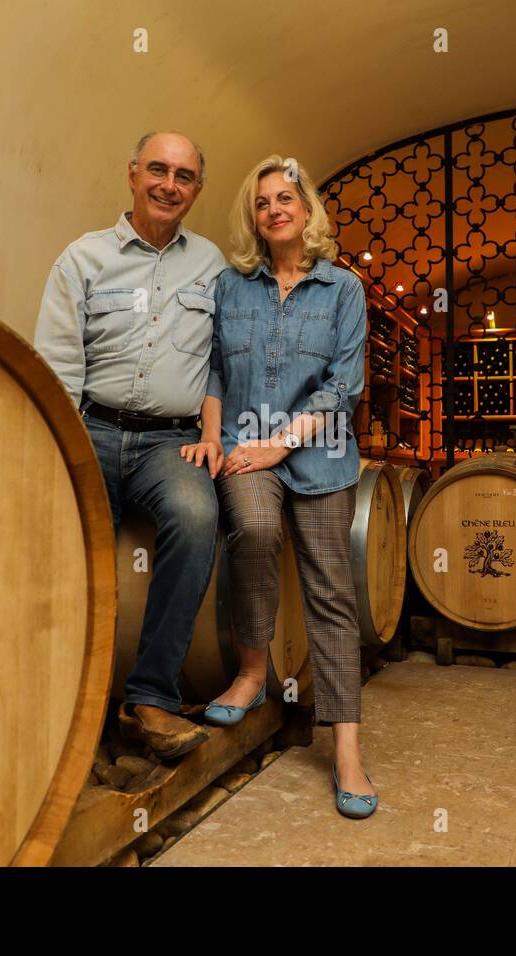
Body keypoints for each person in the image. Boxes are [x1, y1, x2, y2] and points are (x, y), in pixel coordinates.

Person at [183, 155, 376, 818]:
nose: (274, 209)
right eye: (262, 202)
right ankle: (254, 674)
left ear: (306, 208)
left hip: (318, 453)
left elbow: (343, 388)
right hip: (244, 448)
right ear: (254, 218)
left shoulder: (343, 290)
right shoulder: (229, 288)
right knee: (256, 532)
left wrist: (279, 442)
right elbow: (212, 372)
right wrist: (216, 435)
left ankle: (346, 747)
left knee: (331, 589)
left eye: (285, 197)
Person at [35, 131, 227, 760]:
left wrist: (212, 432)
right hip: (90, 427)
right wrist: (60, 443)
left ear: (197, 189)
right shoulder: (82, 259)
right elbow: (58, 363)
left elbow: (225, 361)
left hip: (169, 443)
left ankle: (150, 699)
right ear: (132, 174)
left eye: (184, 176)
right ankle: (63, 699)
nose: (169, 185)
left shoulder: (215, 267)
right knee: (69, 543)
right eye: (158, 170)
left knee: (198, 515)